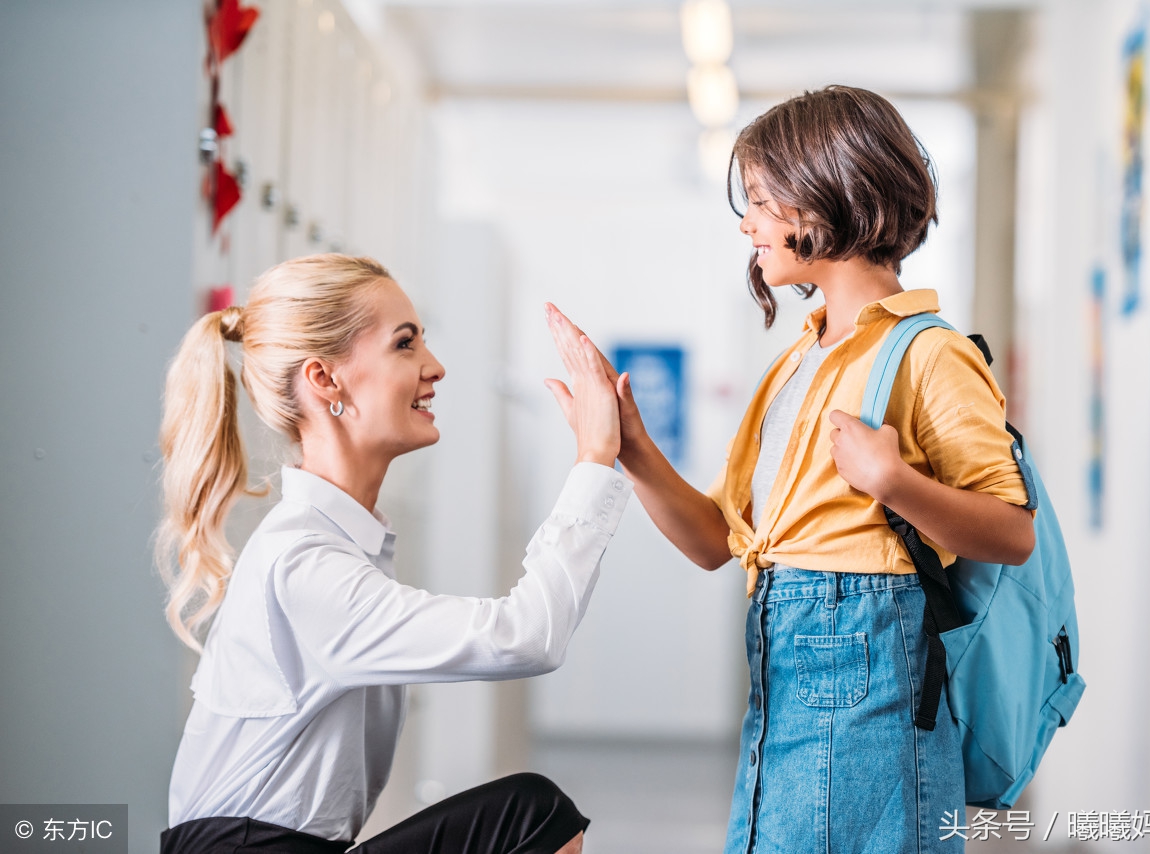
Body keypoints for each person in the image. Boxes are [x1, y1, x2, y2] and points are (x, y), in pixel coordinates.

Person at [546, 86, 1034, 853]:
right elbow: (715, 540)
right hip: (782, 693)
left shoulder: (931, 354)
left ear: (831, 194)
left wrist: (897, 484)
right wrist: (629, 445)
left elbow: (1012, 532)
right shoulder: (795, 367)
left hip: (872, 699)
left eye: (765, 199)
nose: (748, 222)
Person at [155, 253, 631, 854]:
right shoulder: (302, 562)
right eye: (405, 345)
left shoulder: (335, 545)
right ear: (324, 379)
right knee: (530, 816)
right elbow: (526, 635)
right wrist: (594, 457)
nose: (434, 367)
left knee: (531, 813)